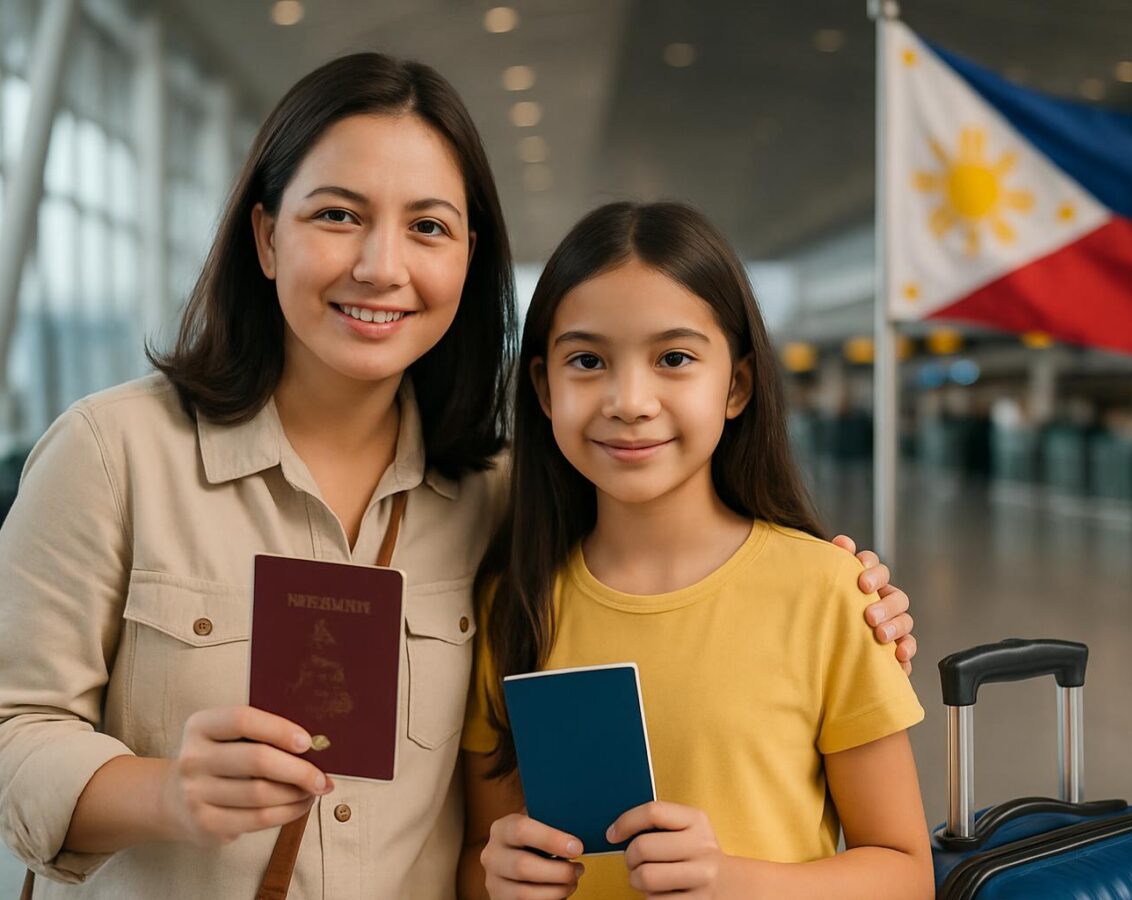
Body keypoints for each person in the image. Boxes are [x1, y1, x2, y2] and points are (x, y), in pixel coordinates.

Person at [0, 56, 913, 900]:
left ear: (468, 258)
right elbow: (13, 730)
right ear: (267, 237)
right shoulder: (112, 454)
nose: (381, 267)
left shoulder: (499, 499)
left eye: (427, 227)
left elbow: (675, 549)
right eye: (337, 214)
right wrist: (166, 794)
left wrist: (847, 591)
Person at [458, 202, 933, 900]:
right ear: (543, 388)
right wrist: (493, 877)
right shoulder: (512, 606)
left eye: (674, 359)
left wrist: (735, 882)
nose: (630, 400)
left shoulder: (829, 593)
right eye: (587, 361)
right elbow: (479, 852)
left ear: (736, 384)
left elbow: (905, 872)